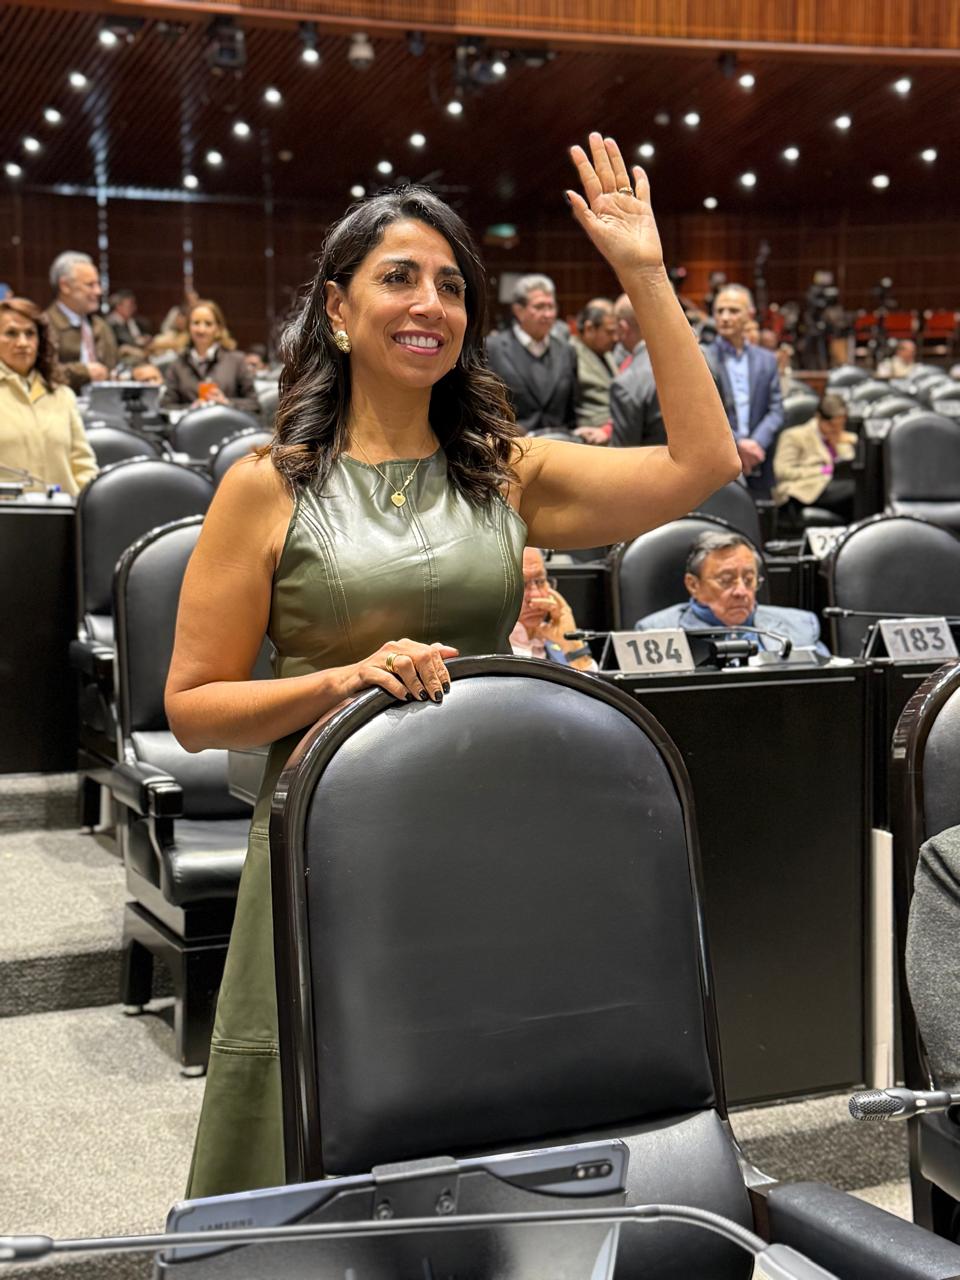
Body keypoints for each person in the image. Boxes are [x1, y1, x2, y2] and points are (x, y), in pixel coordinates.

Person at [166, 133, 740, 1198]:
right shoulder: (266, 484)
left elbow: (702, 463)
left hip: (490, 837)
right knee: (310, 1125)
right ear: (338, 309)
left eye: (452, 285)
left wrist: (646, 275)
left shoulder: (505, 472)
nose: (429, 301)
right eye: (398, 277)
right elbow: (194, 708)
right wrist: (342, 681)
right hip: (327, 848)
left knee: (490, 1107)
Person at [635, 530, 828, 655]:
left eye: (749, 579)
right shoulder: (655, 634)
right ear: (693, 585)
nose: (741, 591)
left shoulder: (801, 626)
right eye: (726, 581)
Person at [0, 296, 98, 495]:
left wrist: (85, 503)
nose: (22, 343)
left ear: (41, 340)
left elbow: (83, 465)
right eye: (11, 333)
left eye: (30, 333)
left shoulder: (62, 395)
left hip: (62, 510)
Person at [701, 284, 784, 496]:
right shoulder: (702, 358)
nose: (725, 317)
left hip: (758, 459)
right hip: (718, 463)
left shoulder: (766, 360)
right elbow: (703, 413)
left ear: (750, 315)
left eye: (733, 311)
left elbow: (776, 410)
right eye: (719, 311)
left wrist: (756, 443)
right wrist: (738, 443)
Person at [485, 273, 578, 434]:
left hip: (559, 441)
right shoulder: (492, 348)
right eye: (539, 307)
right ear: (519, 311)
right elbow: (485, 405)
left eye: (551, 307)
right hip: (513, 442)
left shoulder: (566, 350)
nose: (548, 314)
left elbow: (572, 409)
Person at [162, 299, 259, 413]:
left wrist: (226, 403)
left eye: (208, 324)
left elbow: (254, 405)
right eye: (196, 323)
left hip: (227, 422)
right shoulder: (177, 365)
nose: (201, 330)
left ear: (218, 328)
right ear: (188, 327)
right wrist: (191, 409)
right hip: (191, 423)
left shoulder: (237, 361)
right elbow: (166, 407)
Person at [772, 392, 857, 522]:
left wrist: (838, 443)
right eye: (832, 425)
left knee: (864, 488)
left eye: (841, 425)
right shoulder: (793, 436)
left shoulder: (842, 437)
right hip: (806, 489)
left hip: (835, 487)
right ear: (819, 417)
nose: (837, 429)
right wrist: (822, 471)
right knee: (856, 489)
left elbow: (847, 465)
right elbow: (782, 471)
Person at [42, 251, 118, 392]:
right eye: (90, 285)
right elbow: (41, 373)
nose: (98, 291)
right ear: (65, 286)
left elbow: (115, 365)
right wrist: (83, 372)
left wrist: (138, 369)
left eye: (98, 284)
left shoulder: (101, 326)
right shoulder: (44, 325)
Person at [509, 548, 595, 670]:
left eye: (540, 581)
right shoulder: (485, 651)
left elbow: (593, 681)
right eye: (521, 584)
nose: (536, 595)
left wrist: (572, 645)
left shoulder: (556, 638)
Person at [609, 293, 665, 448]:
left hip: (655, 463)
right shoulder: (702, 359)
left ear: (623, 328)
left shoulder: (625, 384)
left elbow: (622, 455)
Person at [569, 298, 618, 444]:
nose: (615, 338)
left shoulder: (606, 352)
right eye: (609, 332)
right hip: (591, 435)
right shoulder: (570, 354)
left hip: (613, 427)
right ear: (589, 329)